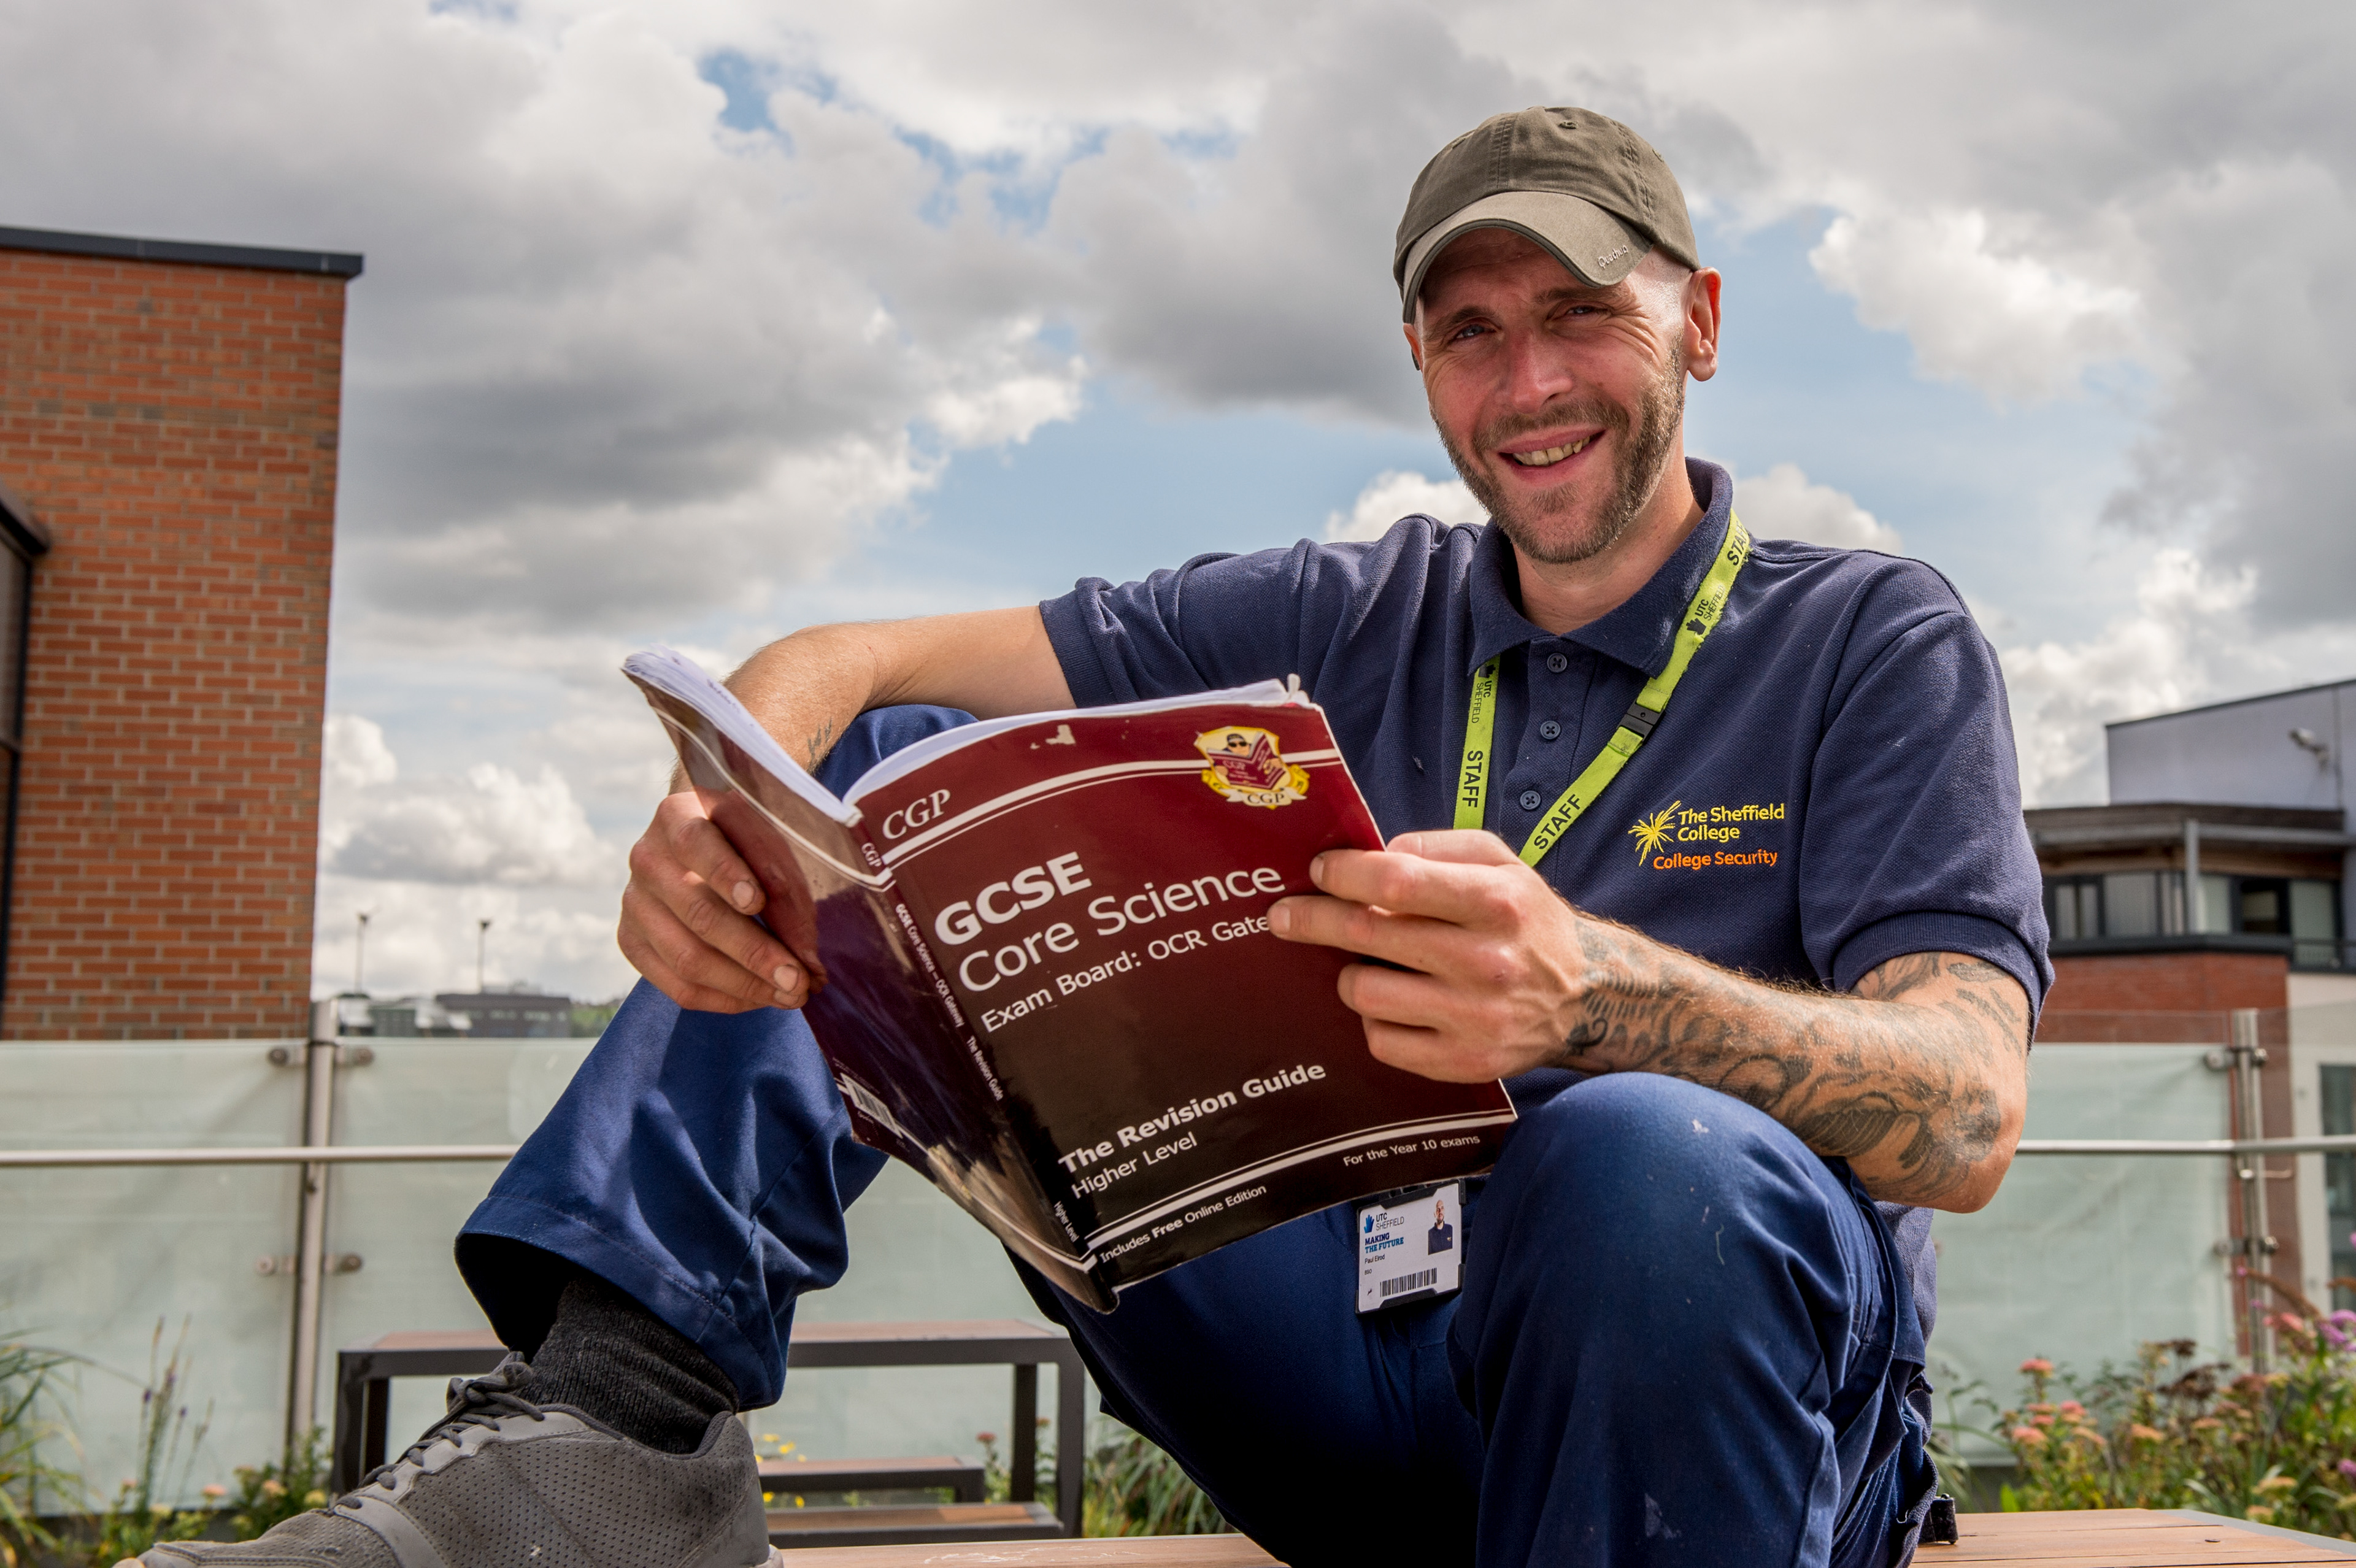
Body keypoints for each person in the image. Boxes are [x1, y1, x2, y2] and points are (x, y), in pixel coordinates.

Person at [152, 106, 2046, 1568]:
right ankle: (617, 1433)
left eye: (1581, 315)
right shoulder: (1348, 604)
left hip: (1707, 1431)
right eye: (1470, 333)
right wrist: (706, 817)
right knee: (877, 790)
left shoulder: (1871, 638)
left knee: (1647, 1154)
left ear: (1699, 321)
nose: (1528, 382)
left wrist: (1599, 995)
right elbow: (855, 660)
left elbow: (1966, 1110)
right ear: (1420, 366)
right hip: (1335, 1372)